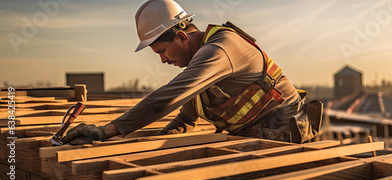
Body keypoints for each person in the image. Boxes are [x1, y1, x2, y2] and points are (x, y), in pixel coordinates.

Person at [61, 0, 322, 145]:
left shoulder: (220, 48)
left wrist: (108, 130)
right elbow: (184, 121)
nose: (163, 61)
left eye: (162, 51)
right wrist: (152, 149)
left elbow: (166, 98)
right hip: (258, 138)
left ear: (183, 37)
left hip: (285, 135)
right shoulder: (202, 71)